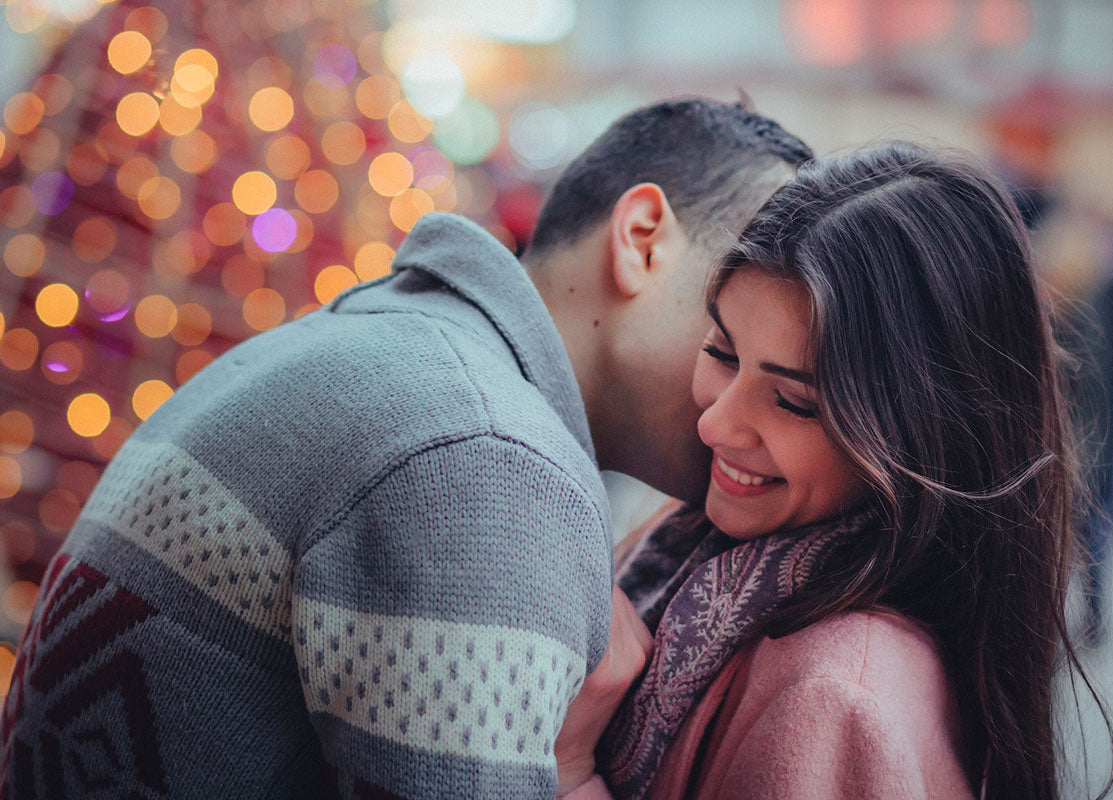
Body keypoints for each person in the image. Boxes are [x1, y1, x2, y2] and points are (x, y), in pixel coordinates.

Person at [0, 98, 811, 799]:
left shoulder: (394, 351)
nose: (753, 393)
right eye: (736, 317)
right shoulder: (485, 455)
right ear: (640, 239)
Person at [558, 142, 1113, 800]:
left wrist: (570, 773)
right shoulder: (717, 558)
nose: (715, 425)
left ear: (922, 434)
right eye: (723, 352)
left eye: (795, 402)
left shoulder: (835, 694)